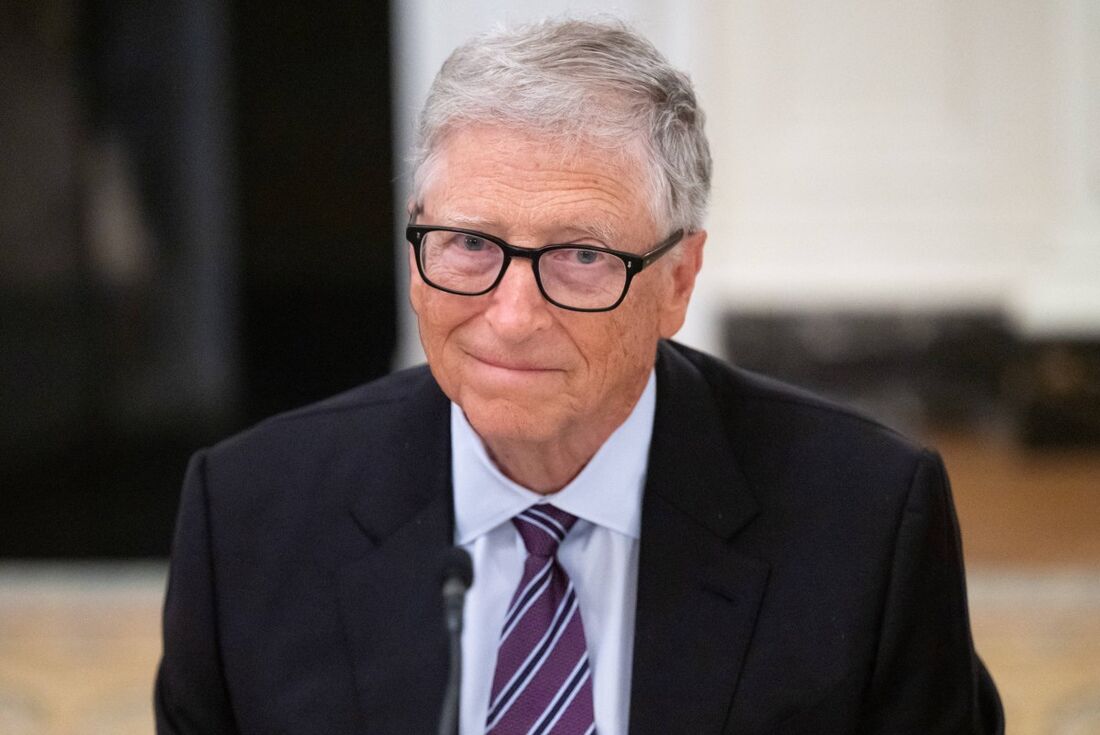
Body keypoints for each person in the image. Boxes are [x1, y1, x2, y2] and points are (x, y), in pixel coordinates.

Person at [155, 18, 1003, 735]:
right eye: (471, 244)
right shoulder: (249, 517)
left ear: (678, 280)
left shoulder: (866, 521)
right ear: (416, 251)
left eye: (582, 256)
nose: (512, 315)